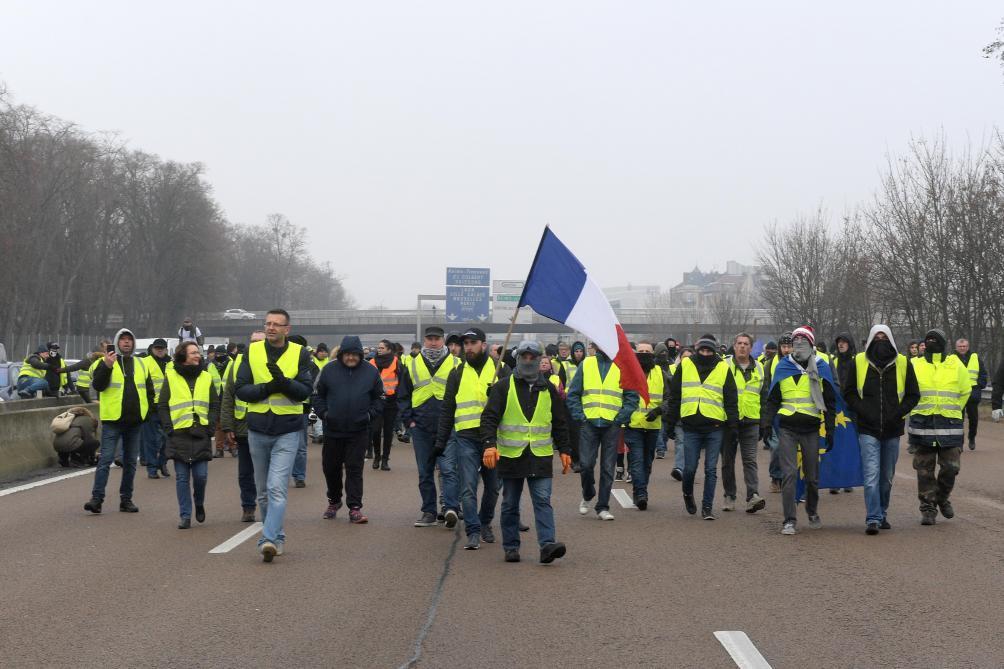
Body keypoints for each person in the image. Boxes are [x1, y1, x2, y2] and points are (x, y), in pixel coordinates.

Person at [480, 340, 572, 564]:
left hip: (539, 456)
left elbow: (560, 421)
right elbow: (489, 418)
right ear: (517, 358)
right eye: (524, 357)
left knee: (542, 500)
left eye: (533, 357)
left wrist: (566, 450)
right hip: (512, 457)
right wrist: (489, 444)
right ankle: (511, 547)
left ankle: (547, 545)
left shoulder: (548, 389)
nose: (528, 361)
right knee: (510, 503)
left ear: (540, 359)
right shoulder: (503, 386)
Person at [235, 309, 314, 562]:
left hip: (288, 430)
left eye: (276, 324)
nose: (270, 328)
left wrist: (285, 383)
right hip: (258, 429)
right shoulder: (252, 351)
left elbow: (304, 391)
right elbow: (241, 390)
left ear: (286, 329)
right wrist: (270, 387)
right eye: (267, 323)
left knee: (276, 487)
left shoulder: (300, 354)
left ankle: (267, 538)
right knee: (262, 492)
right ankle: (277, 537)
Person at [842, 325, 920, 534]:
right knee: (871, 475)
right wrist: (863, 411)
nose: (880, 340)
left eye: (884, 337)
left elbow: (914, 395)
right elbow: (848, 393)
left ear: (891, 340)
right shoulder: (858, 362)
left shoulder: (903, 363)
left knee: (886, 477)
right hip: (867, 428)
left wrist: (899, 412)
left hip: (893, 429)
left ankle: (882, 512)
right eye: (876, 337)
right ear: (869, 339)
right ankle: (873, 518)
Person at [760, 326, 836, 535]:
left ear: (811, 345)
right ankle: (789, 520)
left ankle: (812, 510)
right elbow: (773, 399)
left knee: (812, 476)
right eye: (796, 341)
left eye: (804, 341)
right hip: (787, 428)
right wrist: (766, 424)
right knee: (789, 474)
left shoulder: (822, 367)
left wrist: (830, 430)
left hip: (811, 428)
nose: (799, 345)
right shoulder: (783, 366)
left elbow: (830, 401)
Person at [436, 327, 500, 550]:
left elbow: (514, 402)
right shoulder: (457, 373)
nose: (469, 347)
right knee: (468, 487)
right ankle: (472, 530)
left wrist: (499, 396)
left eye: (473, 343)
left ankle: (485, 523)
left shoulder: (500, 369)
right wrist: (440, 441)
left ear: (483, 344)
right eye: (466, 344)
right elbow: (447, 409)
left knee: (493, 488)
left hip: (494, 438)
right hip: (466, 436)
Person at [663, 335, 738, 520]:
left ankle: (707, 507)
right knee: (689, 469)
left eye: (709, 351)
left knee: (710, 469)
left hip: (715, 426)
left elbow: (731, 399)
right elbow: (675, 397)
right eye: (703, 350)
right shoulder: (686, 365)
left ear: (714, 352)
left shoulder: (723, 368)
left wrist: (733, 425)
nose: (705, 354)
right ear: (697, 351)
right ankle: (688, 494)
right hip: (691, 426)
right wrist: (670, 423)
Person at [84, 329, 156, 514]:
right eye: (122, 340)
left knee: (131, 462)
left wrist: (146, 414)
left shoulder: (141, 363)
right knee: (106, 460)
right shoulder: (105, 362)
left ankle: (126, 499)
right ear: (116, 343)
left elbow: (149, 391)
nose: (126, 343)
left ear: (133, 343)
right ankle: (96, 499)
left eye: (129, 340)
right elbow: (98, 386)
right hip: (113, 420)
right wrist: (107, 366)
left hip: (135, 422)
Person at [313, 336, 383, 524]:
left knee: (354, 469)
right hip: (333, 430)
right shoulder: (328, 370)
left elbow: (379, 398)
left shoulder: (371, 371)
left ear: (360, 355)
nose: (351, 358)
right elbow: (318, 396)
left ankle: (355, 508)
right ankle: (334, 501)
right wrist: (325, 414)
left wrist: (369, 416)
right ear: (342, 354)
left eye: (355, 354)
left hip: (358, 430)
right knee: (331, 469)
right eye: (347, 354)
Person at [566, 341, 638, 521]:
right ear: (596, 345)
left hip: (611, 424)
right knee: (586, 464)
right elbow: (573, 393)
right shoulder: (587, 364)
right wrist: (580, 415)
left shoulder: (623, 366)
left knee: (607, 467)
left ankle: (603, 507)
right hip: (589, 422)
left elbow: (631, 398)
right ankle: (588, 493)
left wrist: (620, 418)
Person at [397, 326, 461, 528]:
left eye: (437, 338)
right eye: (430, 338)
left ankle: (450, 508)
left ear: (443, 340)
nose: (433, 342)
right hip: (421, 426)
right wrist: (409, 421)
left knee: (449, 470)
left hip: (448, 425)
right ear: (424, 340)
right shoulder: (412, 364)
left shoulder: (457, 363)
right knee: (425, 472)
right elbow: (403, 395)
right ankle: (429, 512)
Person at [908, 329, 970, 526]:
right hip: (922, 423)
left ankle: (941, 498)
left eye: (935, 340)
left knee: (951, 468)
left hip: (949, 425)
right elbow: (906, 391)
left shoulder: (955, 363)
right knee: (924, 469)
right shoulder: (914, 364)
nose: (931, 342)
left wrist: (953, 411)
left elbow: (965, 390)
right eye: (928, 340)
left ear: (943, 343)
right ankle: (928, 508)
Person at [159, 341, 219, 529]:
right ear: (183, 356)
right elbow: (162, 405)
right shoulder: (171, 376)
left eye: (198, 353)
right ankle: (185, 515)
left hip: (201, 432)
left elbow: (214, 404)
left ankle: (198, 503)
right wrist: (169, 428)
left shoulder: (206, 377)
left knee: (200, 476)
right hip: (179, 433)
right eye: (193, 352)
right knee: (182, 478)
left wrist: (210, 427)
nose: (197, 355)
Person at [222, 329, 265, 522]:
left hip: (267, 426)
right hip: (243, 428)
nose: (255, 345)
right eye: (252, 341)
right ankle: (248, 507)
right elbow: (228, 397)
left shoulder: (273, 362)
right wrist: (227, 426)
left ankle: (269, 506)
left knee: (267, 472)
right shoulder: (237, 363)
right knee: (245, 472)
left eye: (259, 341)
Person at [722, 333, 766, 513]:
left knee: (749, 460)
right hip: (728, 421)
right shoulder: (724, 365)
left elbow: (764, 397)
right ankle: (729, 495)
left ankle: (752, 496)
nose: (742, 346)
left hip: (751, 420)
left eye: (746, 344)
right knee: (727, 460)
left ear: (751, 347)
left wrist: (764, 422)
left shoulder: (760, 368)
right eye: (739, 343)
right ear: (734, 346)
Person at [626, 341, 666, 510]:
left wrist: (658, 411)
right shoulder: (628, 372)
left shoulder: (661, 374)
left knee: (647, 462)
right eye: (640, 351)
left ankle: (640, 489)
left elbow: (671, 398)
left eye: (647, 351)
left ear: (653, 354)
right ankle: (641, 493)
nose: (643, 353)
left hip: (653, 425)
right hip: (633, 425)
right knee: (636, 460)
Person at [761, 333, 793, 492]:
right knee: (777, 447)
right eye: (784, 346)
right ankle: (776, 477)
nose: (787, 350)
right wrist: (766, 419)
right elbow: (766, 391)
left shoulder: (800, 364)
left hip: (795, 412)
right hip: (776, 412)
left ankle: (791, 478)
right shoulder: (769, 365)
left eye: (789, 346)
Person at [367, 339, 401, 471]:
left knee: (388, 432)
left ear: (389, 350)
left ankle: (385, 460)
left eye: (382, 348)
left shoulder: (396, 362)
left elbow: (401, 380)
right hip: (376, 401)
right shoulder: (371, 362)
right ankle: (377, 456)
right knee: (375, 430)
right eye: (378, 347)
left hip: (391, 402)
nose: (379, 349)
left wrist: (397, 395)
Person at [142, 339, 172, 479]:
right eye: (157, 348)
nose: (159, 350)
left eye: (162, 348)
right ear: (153, 349)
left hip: (168, 408)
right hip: (151, 408)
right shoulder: (145, 362)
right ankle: (152, 468)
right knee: (151, 440)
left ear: (166, 349)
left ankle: (162, 463)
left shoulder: (172, 364)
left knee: (168, 439)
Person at [949, 338, 986, 450]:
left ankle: (972, 438)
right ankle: (959, 441)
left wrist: (980, 385)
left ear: (968, 347)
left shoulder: (975, 358)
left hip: (972, 393)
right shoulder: (950, 359)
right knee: (958, 419)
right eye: (960, 346)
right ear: (956, 347)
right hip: (957, 393)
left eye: (964, 346)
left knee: (973, 419)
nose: (962, 348)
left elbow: (983, 373)